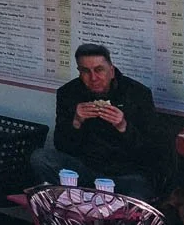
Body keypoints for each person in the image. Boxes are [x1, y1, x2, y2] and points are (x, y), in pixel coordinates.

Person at [29, 43, 159, 200]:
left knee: (140, 192)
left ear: (111, 71)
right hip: (85, 169)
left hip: (125, 173)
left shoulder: (137, 94)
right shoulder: (69, 93)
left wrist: (123, 127)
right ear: (79, 72)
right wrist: (76, 122)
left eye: (99, 70)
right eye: (85, 71)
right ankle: (73, 207)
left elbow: (152, 151)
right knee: (40, 157)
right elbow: (62, 146)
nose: (93, 78)